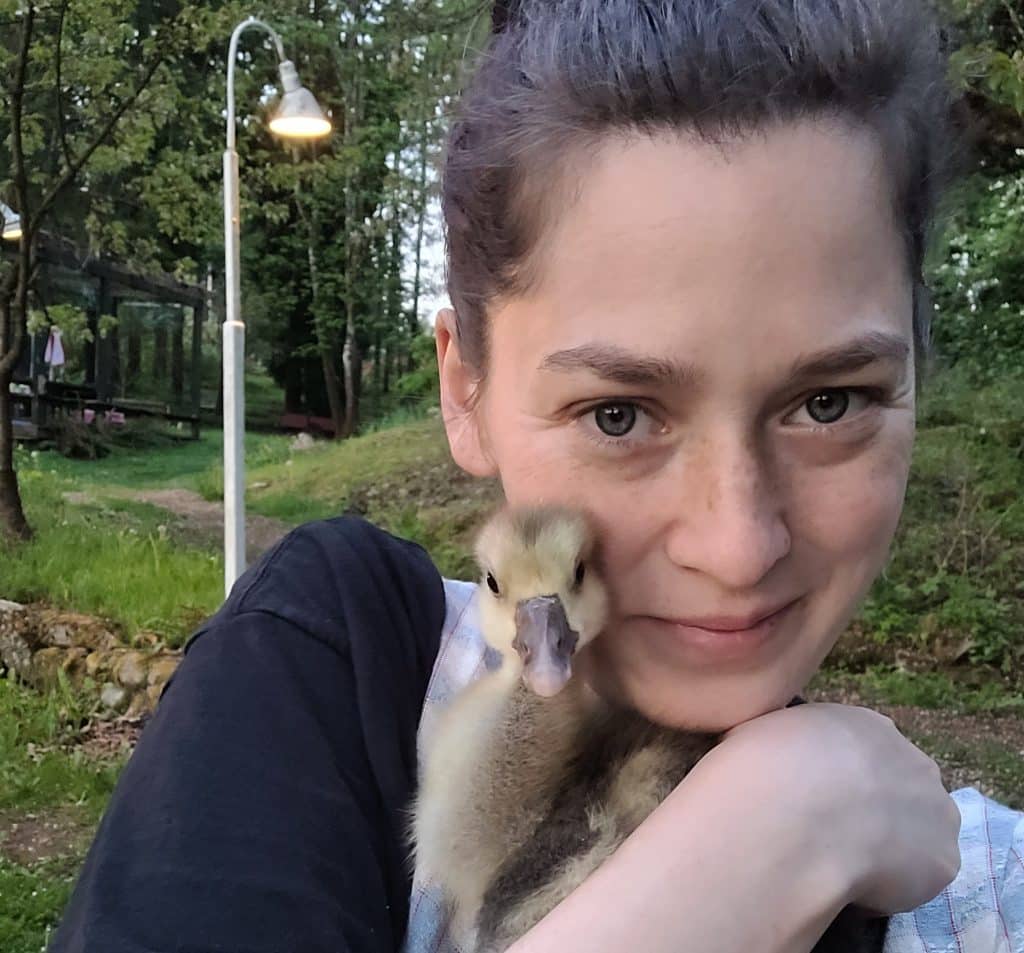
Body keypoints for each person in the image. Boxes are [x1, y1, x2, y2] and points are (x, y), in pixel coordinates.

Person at [50, 1, 1023, 952]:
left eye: (829, 402)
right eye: (618, 413)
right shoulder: (330, 663)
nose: (736, 547)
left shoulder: (989, 891)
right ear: (465, 389)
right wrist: (774, 836)